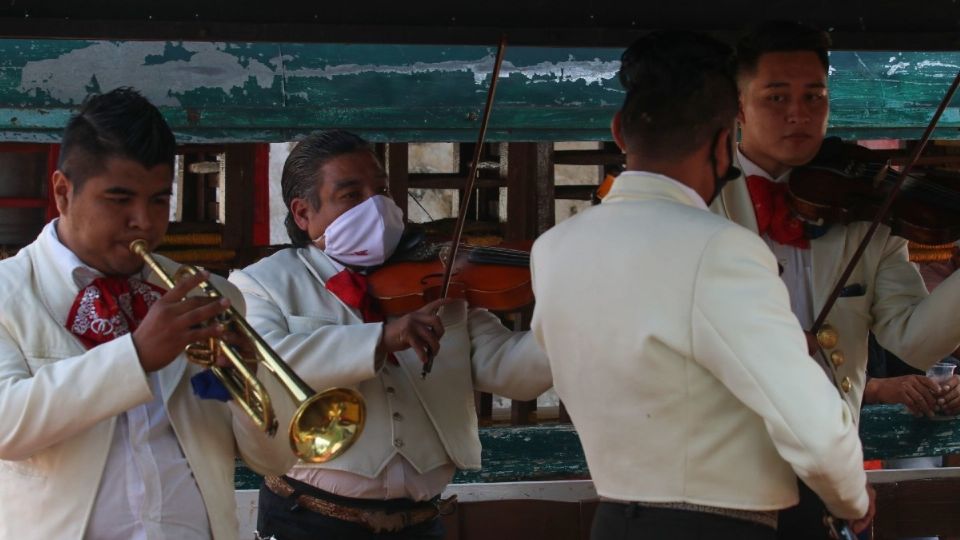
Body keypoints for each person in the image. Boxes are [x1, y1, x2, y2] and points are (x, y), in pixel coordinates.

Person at [530, 31, 873, 540]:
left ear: (619, 130)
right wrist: (851, 498)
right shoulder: (723, 248)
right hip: (719, 526)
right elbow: (815, 431)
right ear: (723, 143)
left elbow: (531, 364)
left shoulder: (555, 246)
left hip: (614, 520)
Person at [0, 87, 297, 539]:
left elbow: (271, 460)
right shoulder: (7, 292)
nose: (144, 220)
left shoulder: (212, 295)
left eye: (160, 199)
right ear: (62, 192)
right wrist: (135, 356)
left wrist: (247, 381)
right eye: (119, 199)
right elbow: (7, 426)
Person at [228, 129, 552, 539]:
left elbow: (510, 371)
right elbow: (266, 362)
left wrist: (571, 320)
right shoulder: (261, 284)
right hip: (308, 521)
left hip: (421, 523)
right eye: (351, 195)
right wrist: (380, 339)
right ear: (302, 213)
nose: (377, 206)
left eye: (380, 190)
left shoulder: (437, 282)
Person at [710, 21, 960, 538]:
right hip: (720, 483)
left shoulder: (868, 215)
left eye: (813, 96)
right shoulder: (703, 205)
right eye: (776, 97)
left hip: (831, 483)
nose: (798, 113)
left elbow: (914, 339)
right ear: (738, 107)